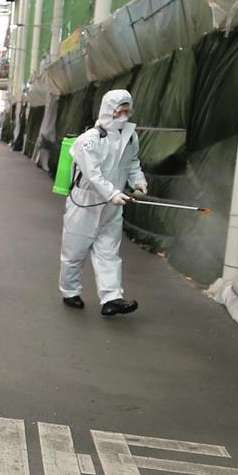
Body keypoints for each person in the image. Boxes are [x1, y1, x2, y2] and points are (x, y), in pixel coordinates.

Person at [59, 88, 143, 316]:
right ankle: (70, 291)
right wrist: (112, 193)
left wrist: (138, 181)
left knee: (108, 252)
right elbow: (92, 174)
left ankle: (112, 298)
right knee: (74, 252)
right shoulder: (89, 140)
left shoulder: (130, 136)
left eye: (127, 110)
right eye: (120, 111)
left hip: (112, 205)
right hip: (85, 202)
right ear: (109, 110)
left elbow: (133, 162)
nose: (125, 115)